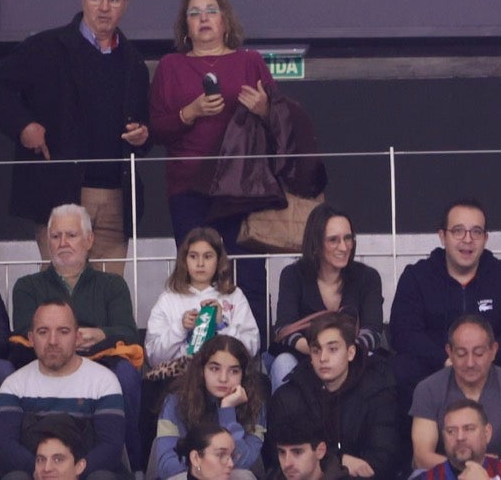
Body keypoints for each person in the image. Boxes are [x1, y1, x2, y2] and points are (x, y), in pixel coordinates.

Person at [0, 0, 149, 269]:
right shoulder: (46, 47)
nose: (104, 7)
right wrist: (23, 125)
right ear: (83, 0)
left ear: (126, 5)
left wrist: (143, 135)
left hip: (117, 198)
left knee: (106, 301)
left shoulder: (133, 62)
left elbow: (145, 128)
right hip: (62, 194)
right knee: (61, 303)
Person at [147, 0, 274, 319]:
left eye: (211, 10)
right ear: (185, 27)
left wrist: (263, 108)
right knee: (195, 276)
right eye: (194, 12)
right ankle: (198, 358)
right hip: (189, 186)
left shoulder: (250, 61)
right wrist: (190, 112)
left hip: (243, 187)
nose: (203, 17)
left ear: (225, 21)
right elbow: (156, 130)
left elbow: (279, 121)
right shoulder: (170, 66)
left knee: (248, 275)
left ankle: (254, 358)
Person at [390, 199, 501, 433]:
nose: (468, 239)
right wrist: (449, 359)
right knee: (400, 370)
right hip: (437, 364)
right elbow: (403, 333)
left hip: (493, 364)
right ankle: (410, 460)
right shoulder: (417, 276)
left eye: (476, 231)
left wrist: (483, 358)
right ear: (442, 236)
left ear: (485, 238)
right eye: (458, 231)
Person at [10, 207, 141, 460]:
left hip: (101, 364)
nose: (63, 243)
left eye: (71, 235)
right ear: (47, 242)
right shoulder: (27, 286)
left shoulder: (112, 284)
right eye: (56, 236)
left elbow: (129, 332)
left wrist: (101, 333)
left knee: (127, 374)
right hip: (44, 364)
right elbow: (23, 332)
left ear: (89, 240)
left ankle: (133, 465)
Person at [0, 300, 124, 480]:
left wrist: (69, 473)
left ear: (77, 337)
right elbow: (4, 449)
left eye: (63, 331)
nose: (53, 341)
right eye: (43, 332)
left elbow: (111, 449)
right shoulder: (14, 385)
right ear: (30, 339)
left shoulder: (104, 381)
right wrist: (48, 472)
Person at [267, 312, 398, 480]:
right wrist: (339, 461)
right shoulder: (289, 396)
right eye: (316, 350)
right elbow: (282, 459)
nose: (323, 358)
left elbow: (382, 459)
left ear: (350, 352)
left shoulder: (376, 390)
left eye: (333, 349)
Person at [270, 203, 386, 391]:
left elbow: (373, 332)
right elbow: (284, 329)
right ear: (316, 244)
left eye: (348, 238)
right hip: (305, 356)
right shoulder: (293, 275)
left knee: (374, 364)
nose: (343, 247)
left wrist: (341, 354)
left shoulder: (368, 277)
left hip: (353, 355)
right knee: (283, 363)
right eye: (333, 240)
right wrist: (320, 353)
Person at [407, 315, 501, 476]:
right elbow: (422, 456)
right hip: (447, 474)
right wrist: (468, 470)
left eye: (478, 353)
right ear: (449, 352)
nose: (470, 363)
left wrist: (488, 470)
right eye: (462, 354)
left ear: (493, 351)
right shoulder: (427, 389)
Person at [151, 336, 265, 480]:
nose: (223, 378)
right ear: (202, 370)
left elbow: (243, 461)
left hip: (230, 475)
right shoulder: (175, 402)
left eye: (233, 371)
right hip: (188, 476)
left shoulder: (254, 404)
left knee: (243, 477)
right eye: (214, 368)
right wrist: (208, 469)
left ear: (244, 375)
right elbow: (166, 466)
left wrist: (227, 412)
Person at [144, 228, 259, 369]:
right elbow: (153, 357)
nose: (200, 263)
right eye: (193, 256)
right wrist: (179, 328)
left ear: (218, 260)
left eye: (208, 256)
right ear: (184, 260)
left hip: (226, 378)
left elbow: (252, 348)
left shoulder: (234, 296)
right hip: (180, 379)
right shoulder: (168, 299)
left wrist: (221, 325)